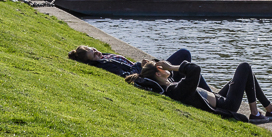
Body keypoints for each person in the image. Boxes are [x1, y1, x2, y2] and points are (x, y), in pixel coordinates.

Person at [125, 59, 272, 124]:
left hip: (219, 97)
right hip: (227, 104)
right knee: (244, 67)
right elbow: (195, 69)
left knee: (246, 73)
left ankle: (270, 110)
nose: (166, 66)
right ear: (158, 73)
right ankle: (256, 114)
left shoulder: (171, 85)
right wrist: (172, 67)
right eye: (161, 67)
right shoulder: (175, 90)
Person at [68, 46, 211, 91]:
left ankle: (209, 95)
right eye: (94, 55)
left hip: (145, 67)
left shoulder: (104, 57)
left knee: (186, 69)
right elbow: (126, 74)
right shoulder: (105, 64)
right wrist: (141, 65)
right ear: (92, 62)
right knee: (184, 55)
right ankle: (210, 95)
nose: (98, 53)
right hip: (147, 73)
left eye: (94, 50)